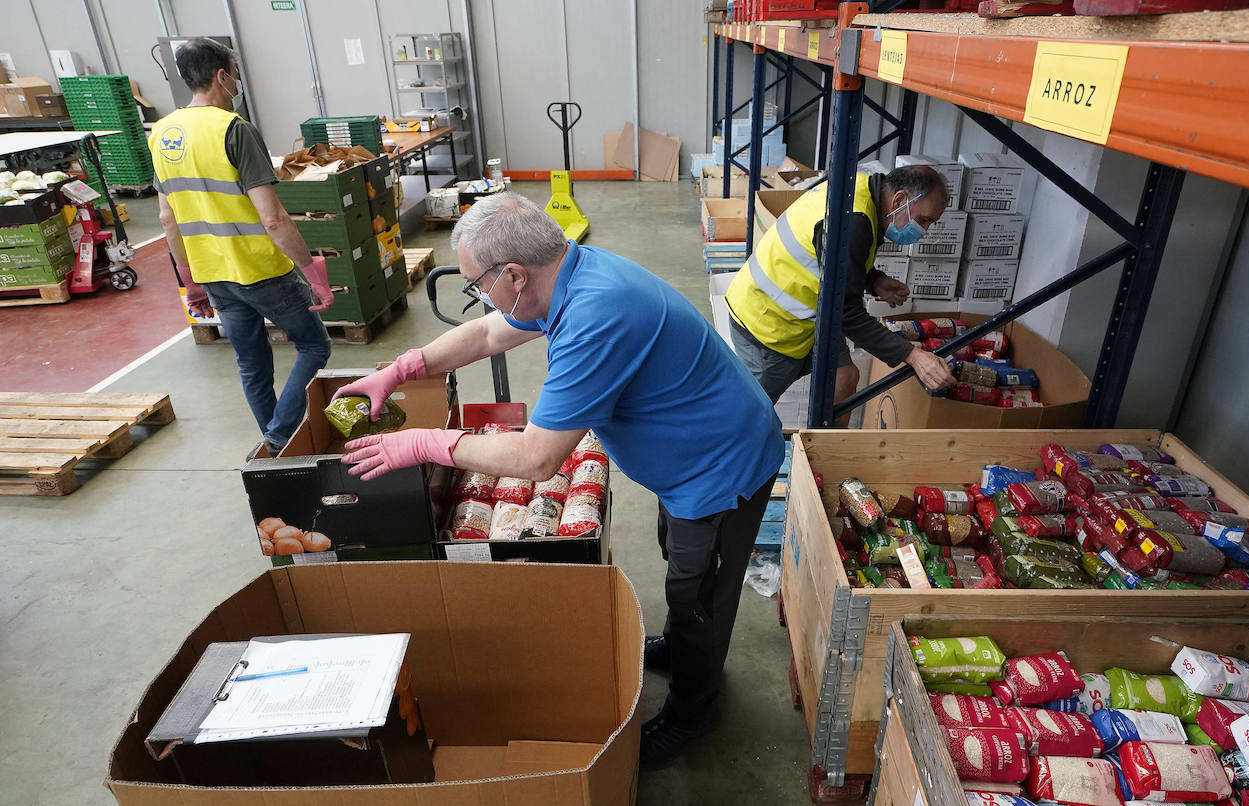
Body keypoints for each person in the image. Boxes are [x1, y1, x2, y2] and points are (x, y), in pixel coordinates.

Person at [334, 193, 785, 765]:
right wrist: (403, 369)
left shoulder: (595, 315)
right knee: (679, 555)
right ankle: (678, 646)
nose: (479, 297)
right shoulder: (566, 275)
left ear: (515, 274)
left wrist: (425, 443)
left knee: (699, 591)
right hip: (689, 459)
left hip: (722, 467)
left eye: (477, 284)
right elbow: (485, 335)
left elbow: (537, 459)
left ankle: (694, 712)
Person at [149, 37, 334, 459]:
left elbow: (166, 218)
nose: (236, 81)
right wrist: (313, 273)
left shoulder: (162, 132)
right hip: (261, 270)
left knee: (252, 365)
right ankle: (280, 434)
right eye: (234, 73)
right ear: (222, 75)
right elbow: (273, 218)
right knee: (314, 346)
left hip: (213, 275)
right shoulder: (233, 129)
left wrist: (190, 283)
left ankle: (278, 445)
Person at [725, 165, 957, 421]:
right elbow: (846, 313)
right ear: (900, 199)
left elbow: (830, 258)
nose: (924, 231)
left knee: (844, 377)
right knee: (748, 419)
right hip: (769, 323)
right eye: (924, 220)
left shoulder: (861, 191)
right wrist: (912, 355)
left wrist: (874, 280)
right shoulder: (855, 220)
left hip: (811, 315)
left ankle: (827, 450)